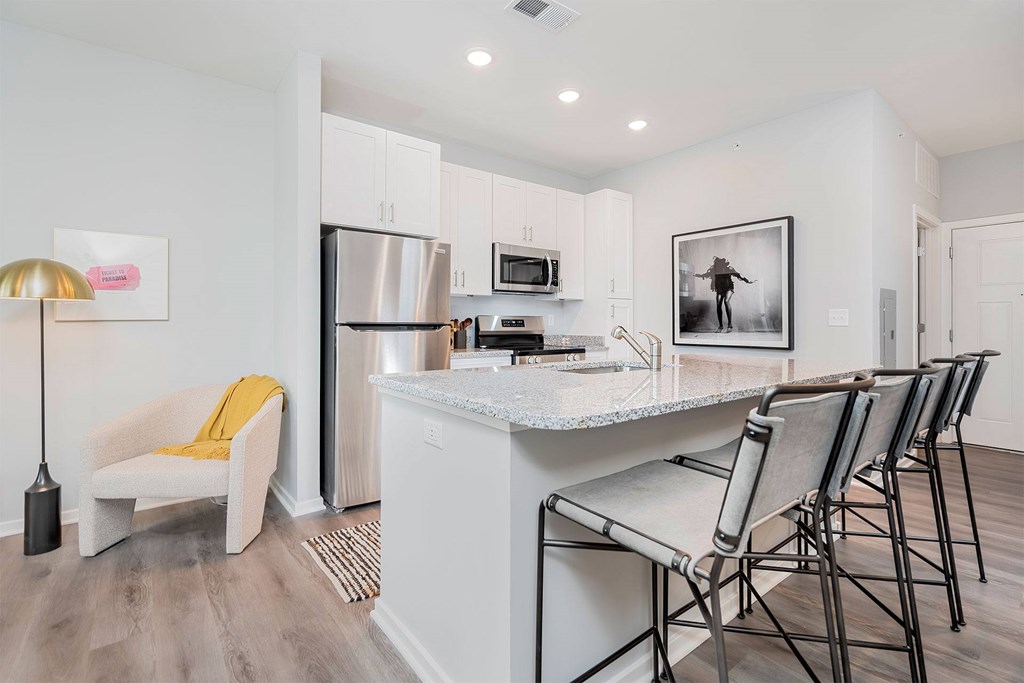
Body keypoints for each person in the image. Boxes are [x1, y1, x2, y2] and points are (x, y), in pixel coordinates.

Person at [694, 256, 756, 333]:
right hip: (720, 289)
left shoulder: (729, 269)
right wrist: (698, 275)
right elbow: (706, 274)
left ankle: (730, 325)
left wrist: (748, 281)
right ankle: (720, 326)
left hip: (729, 288)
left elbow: (739, 275)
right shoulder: (715, 270)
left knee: (726, 301)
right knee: (718, 304)